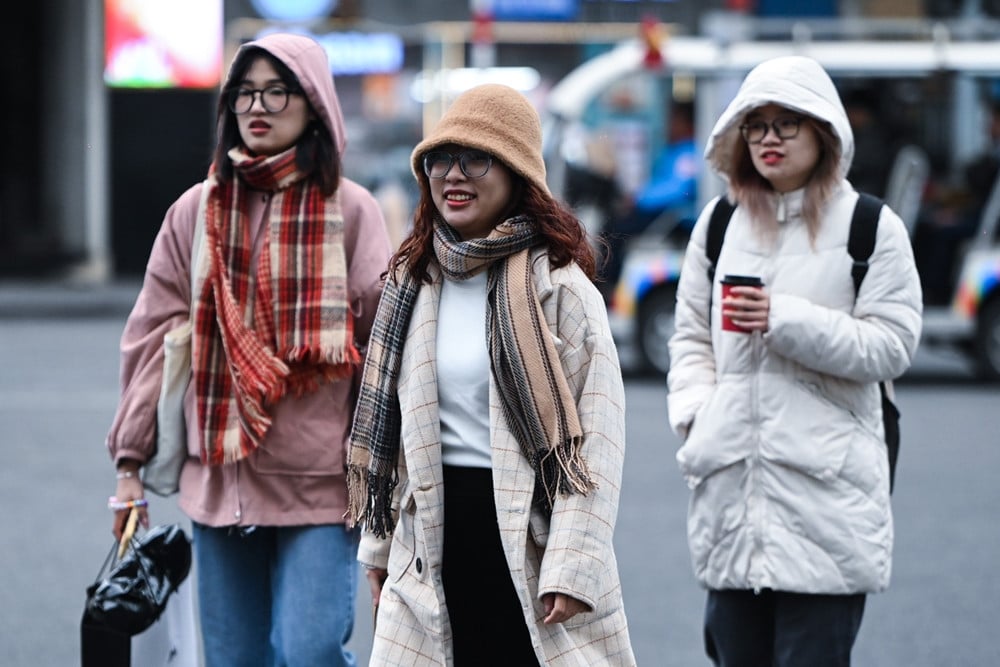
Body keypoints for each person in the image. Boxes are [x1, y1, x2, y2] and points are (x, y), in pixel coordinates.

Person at [104, 33, 392, 666]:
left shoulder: (352, 210)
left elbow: (385, 354)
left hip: (318, 484)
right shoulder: (195, 211)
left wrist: (386, 474)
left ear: (314, 104)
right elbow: (154, 338)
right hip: (220, 475)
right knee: (233, 661)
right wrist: (130, 467)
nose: (257, 106)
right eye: (244, 93)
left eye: (276, 91)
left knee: (308, 650)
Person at [345, 83, 636, 666]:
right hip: (429, 540)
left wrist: (573, 565)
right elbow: (391, 432)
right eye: (440, 159)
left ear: (517, 173)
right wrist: (378, 550)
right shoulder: (412, 280)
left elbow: (598, 441)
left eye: (476, 158)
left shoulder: (561, 289)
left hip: (528, 540)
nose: (454, 174)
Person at [667, 56, 922, 667]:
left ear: (824, 134)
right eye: (756, 126)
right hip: (733, 493)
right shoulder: (719, 222)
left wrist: (784, 320)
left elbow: (892, 345)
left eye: (787, 125)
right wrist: (698, 415)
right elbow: (689, 338)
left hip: (827, 504)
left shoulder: (871, 227)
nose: (769, 139)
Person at [602, 100, 700, 299]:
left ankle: (608, 285)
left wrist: (639, 198)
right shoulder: (676, 151)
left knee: (615, 230)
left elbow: (677, 189)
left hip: (671, 215)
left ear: (687, 123)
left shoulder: (689, 153)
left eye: (675, 120)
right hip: (659, 210)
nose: (669, 126)